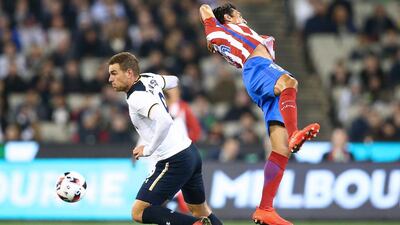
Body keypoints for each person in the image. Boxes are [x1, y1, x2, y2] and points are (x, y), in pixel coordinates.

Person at [199, 3, 320, 225]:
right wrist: (210, 31)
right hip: (257, 67)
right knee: (289, 82)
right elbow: (205, 7)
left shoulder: (226, 34)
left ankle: (265, 209)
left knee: (281, 149)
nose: (242, 17)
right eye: (238, 14)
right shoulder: (218, 30)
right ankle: (295, 133)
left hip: (257, 73)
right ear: (227, 17)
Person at [107, 52, 222, 225]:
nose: (110, 79)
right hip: (190, 151)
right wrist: (158, 85)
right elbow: (174, 81)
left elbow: (165, 120)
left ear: (129, 73)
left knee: (139, 212)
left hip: (173, 159)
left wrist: (148, 149)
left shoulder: (137, 98)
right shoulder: (148, 78)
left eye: (114, 73)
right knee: (200, 210)